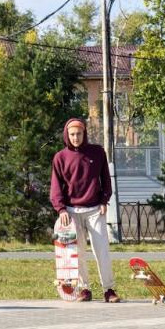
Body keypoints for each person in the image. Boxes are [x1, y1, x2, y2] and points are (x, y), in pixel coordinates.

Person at [49, 118, 120, 302]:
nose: (75, 138)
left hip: (95, 209)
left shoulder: (97, 153)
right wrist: (61, 209)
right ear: (67, 135)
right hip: (71, 212)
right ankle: (84, 289)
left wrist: (104, 200)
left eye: (79, 134)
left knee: (101, 250)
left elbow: (106, 179)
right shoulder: (60, 157)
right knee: (77, 252)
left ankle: (109, 289)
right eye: (72, 134)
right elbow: (56, 187)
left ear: (84, 133)